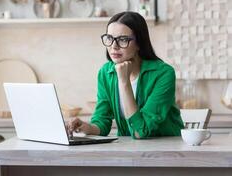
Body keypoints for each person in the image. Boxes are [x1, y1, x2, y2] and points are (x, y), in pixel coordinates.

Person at [67, 11, 184, 139]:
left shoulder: (164, 74)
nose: (114, 46)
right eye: (110, 38)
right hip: (129, 149)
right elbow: (102, 121)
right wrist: (87, 127)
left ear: (139, 43)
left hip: (167, 150)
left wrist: (124, 81)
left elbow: (140, 131)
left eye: (123, 40)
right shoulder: (106, 73)